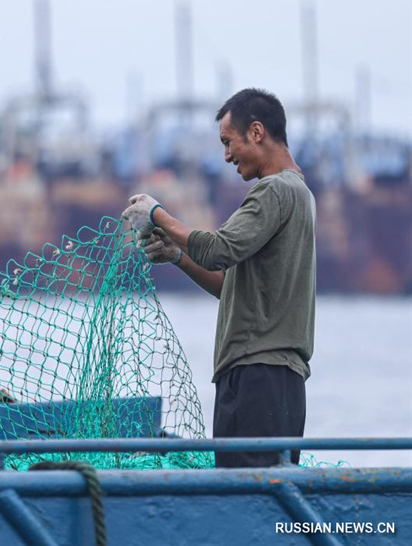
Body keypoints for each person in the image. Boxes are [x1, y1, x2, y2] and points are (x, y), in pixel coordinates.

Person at [123, 88, 315, 468]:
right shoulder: (300, 192)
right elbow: (231, 286)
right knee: (271, 496)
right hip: (282, 382)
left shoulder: (273, 191)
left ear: (257, 132)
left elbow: (217, 249)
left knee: (245, 496)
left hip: (256, 376)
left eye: (228, 143)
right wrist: (178, 256)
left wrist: (156, 212)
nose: (226, 156)